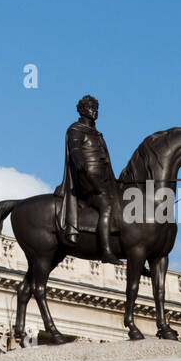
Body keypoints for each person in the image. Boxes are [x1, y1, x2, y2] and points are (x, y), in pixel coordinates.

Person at [58, 94, 122, 264]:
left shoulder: (97, 134)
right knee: (106, 206)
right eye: (91, 108)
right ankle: (106, 251)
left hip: (104, 179)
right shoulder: (75, 130)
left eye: (96, 109)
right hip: (86, 180)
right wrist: (79, 160)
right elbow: (76, 150)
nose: (94, 111)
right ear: (82, 110)